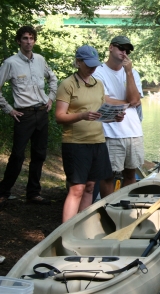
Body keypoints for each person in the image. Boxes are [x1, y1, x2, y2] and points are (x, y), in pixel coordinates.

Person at [55, 45, 124, 223]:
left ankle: (80, 226)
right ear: (78, 62)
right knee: (77, 188)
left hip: (97, 141)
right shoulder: (67, 84)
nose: (93, 68)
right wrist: (81, 115)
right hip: (75, 143)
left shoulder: (98, 84)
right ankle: (65, 231)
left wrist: (114, 117)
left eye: (95, 64)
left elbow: (100, 115)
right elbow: (59, 117)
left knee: (90, 187)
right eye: (88, 64)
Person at [0, 26, 58, 207]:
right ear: (19, 41)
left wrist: (51, 99)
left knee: (39, 155)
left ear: (35, 40)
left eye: (31, 38)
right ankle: (3, 192)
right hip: (23, 115)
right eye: (25, 38)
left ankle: (33, 193)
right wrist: (8, 109)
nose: (28, 41)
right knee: (17, 155)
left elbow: (53, 78)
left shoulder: (40, 60)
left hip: (42, 113)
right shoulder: (10, 63)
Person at [93, 36, 144, 197]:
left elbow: (135, 99)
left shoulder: (133, 73)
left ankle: (125, 207)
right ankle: (107, 209)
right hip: (111, 132)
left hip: (134, 132)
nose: (124, 53)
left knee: (130, 174)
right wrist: (128, 103)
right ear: (110, 48)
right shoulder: (98, 72)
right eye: (121, 48)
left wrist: (128, 72)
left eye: (127, 51)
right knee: (108, 175)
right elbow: (103, 99)